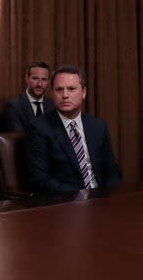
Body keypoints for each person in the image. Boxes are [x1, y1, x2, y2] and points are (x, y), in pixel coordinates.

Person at [27, 65, 121, 194]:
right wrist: (84, 196)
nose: (65, 95)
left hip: (102, 200)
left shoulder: (98, 126)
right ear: (53, 93)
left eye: (71, 89)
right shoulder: (39, 128)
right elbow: (41, 180)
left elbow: (112, 171)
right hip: (66, 202)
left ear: (83, 92)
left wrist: (109, 196)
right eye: (59, 89)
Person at [4, 62, 55, 132]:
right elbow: (17, 138)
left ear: (48, 82)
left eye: (44, 79)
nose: (40, 84)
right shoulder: (14, 106)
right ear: (27, 79)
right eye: (35, 78)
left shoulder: (52, 105)